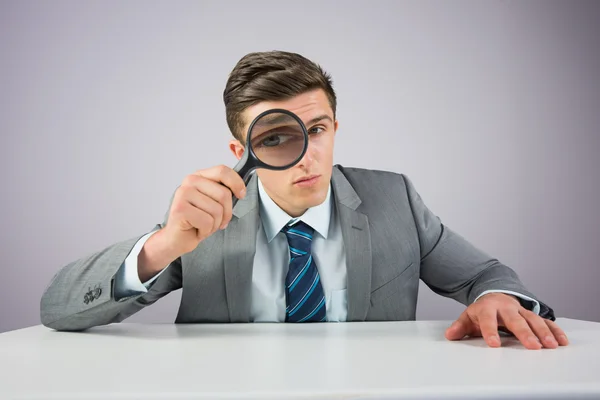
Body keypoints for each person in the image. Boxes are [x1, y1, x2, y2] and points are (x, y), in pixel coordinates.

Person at [40, 50, 569, 350]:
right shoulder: (204, 216)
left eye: (316, 129)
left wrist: (497, 298)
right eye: (274, 139)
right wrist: (161, 247)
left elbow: (485, 275)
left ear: (335, 127)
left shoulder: (394, 199)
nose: (305, 156)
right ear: (239, 150)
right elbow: (58, 309)